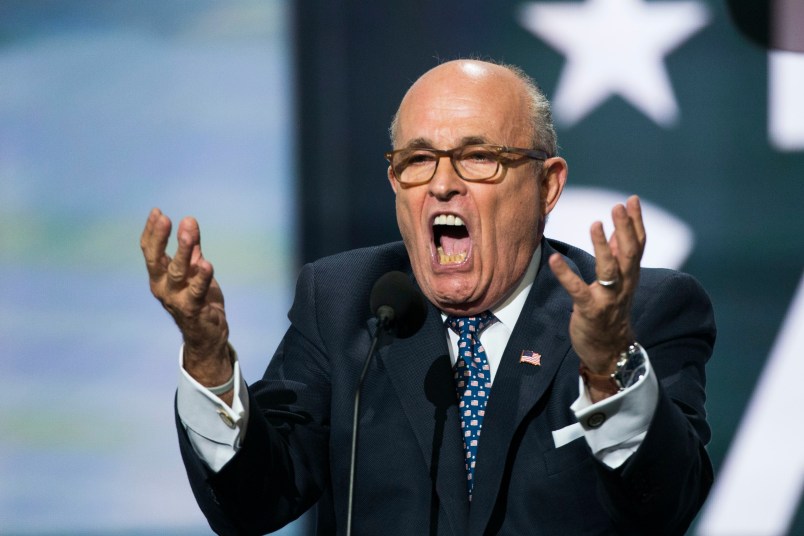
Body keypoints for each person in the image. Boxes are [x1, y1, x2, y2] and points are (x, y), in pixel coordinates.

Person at [141, 59, 715, 535]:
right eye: (417, 160)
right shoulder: (346, 301)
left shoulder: (641, 314)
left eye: (478, 157)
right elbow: (253, 501)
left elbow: (665, 506)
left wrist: (608, 368)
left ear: (548, 185)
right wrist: (209, 359)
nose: (442, 183)